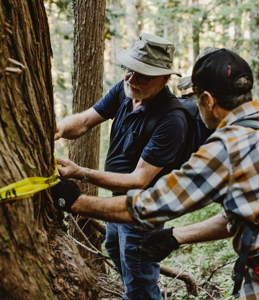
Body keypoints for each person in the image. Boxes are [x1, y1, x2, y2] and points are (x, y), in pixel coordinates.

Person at [52, 47, 259, 300]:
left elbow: (150, 205)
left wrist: (76, 201)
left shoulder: (227, 147)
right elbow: (243, 214)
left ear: (209, 100)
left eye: (194, 97)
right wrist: (177, 235)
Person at [54, 33, 189, 300]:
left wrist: (80, 172)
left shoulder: (172, 119)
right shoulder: (126, 90)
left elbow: (140, 179)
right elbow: (83, 122)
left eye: (143, 75)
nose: (131, 79)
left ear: (165, 79)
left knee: (138, 281)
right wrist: (57, 128)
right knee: (116, 249)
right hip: (118, 201)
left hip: (143, 209)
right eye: (129, 70)